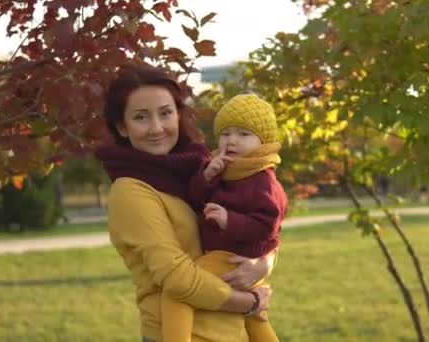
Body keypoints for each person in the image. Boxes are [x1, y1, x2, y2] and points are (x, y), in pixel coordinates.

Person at [95, 64, 277, 342]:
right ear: (122, 126)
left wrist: (264, 262)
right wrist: (251, 303)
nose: (157, 128)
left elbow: (262, 222)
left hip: (230, 332)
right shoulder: (131, 190)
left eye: (165, 113)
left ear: (178, 115)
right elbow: (178, 279)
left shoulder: (203, 170)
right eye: (141, 117)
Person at [161, 94, 287, 342]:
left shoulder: (262, 179)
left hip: (233, 256)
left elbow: (268, 225)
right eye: (226, 133)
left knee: (177, 292)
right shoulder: (225, 167)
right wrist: (207, 176)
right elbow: (195, 200)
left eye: (243, 134)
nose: (232, 141)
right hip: (229, 254)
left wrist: (230, 220)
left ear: (263, 142)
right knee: (255, 316)